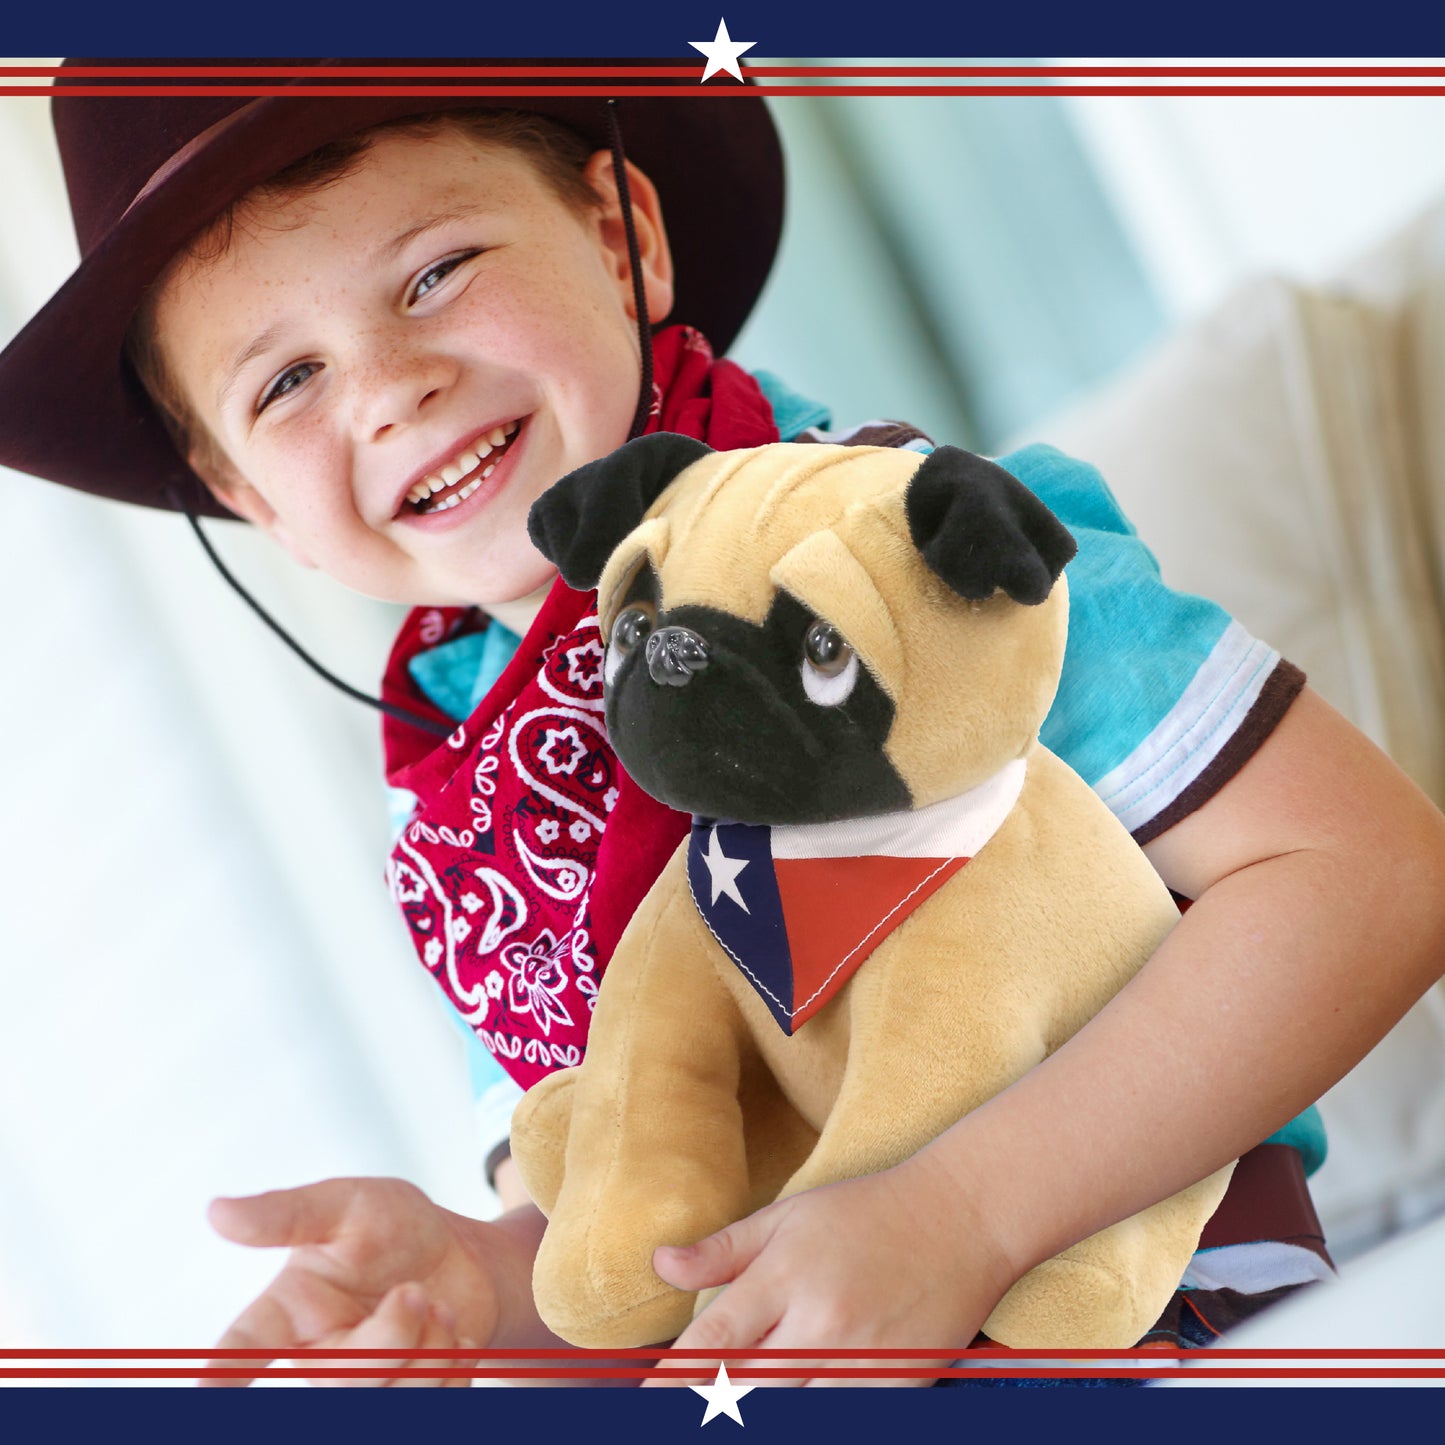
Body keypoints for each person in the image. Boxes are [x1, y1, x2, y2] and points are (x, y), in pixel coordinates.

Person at [1, 56, 1442, 1387]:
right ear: (249, 500)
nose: (388, 390)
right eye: (287, 381)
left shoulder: (906, 537)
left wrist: (957, 1214)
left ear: (621, 235)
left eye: (434, 272)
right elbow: (622, 1236)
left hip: (1147, 1320)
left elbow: (1367, 871)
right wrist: (485, 1280)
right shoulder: (456, 815)